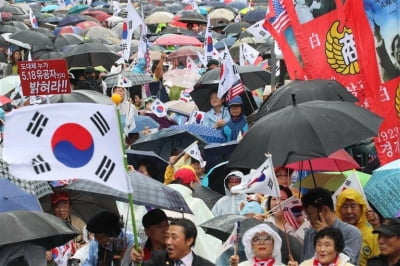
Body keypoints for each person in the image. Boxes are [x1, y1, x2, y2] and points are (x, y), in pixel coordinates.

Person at [301, 187, 362, 265]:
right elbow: (304, 261)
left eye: (309, 213)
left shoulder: (352, 233)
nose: (308, 218)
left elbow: (346, 262)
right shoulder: (310, 233)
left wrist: (327, 234)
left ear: (324, 211)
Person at [143, 218, 215, 266]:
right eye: (167, 237)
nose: (168, 242)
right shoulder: (157, 259)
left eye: (174, 237)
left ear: (189, 240)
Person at [336, 188, 380, 266]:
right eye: (345, 207)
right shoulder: (332, 235)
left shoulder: (372, 235)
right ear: (338, 210)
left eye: (353, 206)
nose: (349, 211)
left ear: (361, 208)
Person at [47, 191, 86, 265]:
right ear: (52, 208)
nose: (61, 210)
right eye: (57, 206)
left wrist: (80, 246)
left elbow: (90, 244)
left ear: (70, 208)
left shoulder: (79, 223)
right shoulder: (46, 222)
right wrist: (45, 251)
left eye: (65, 206)